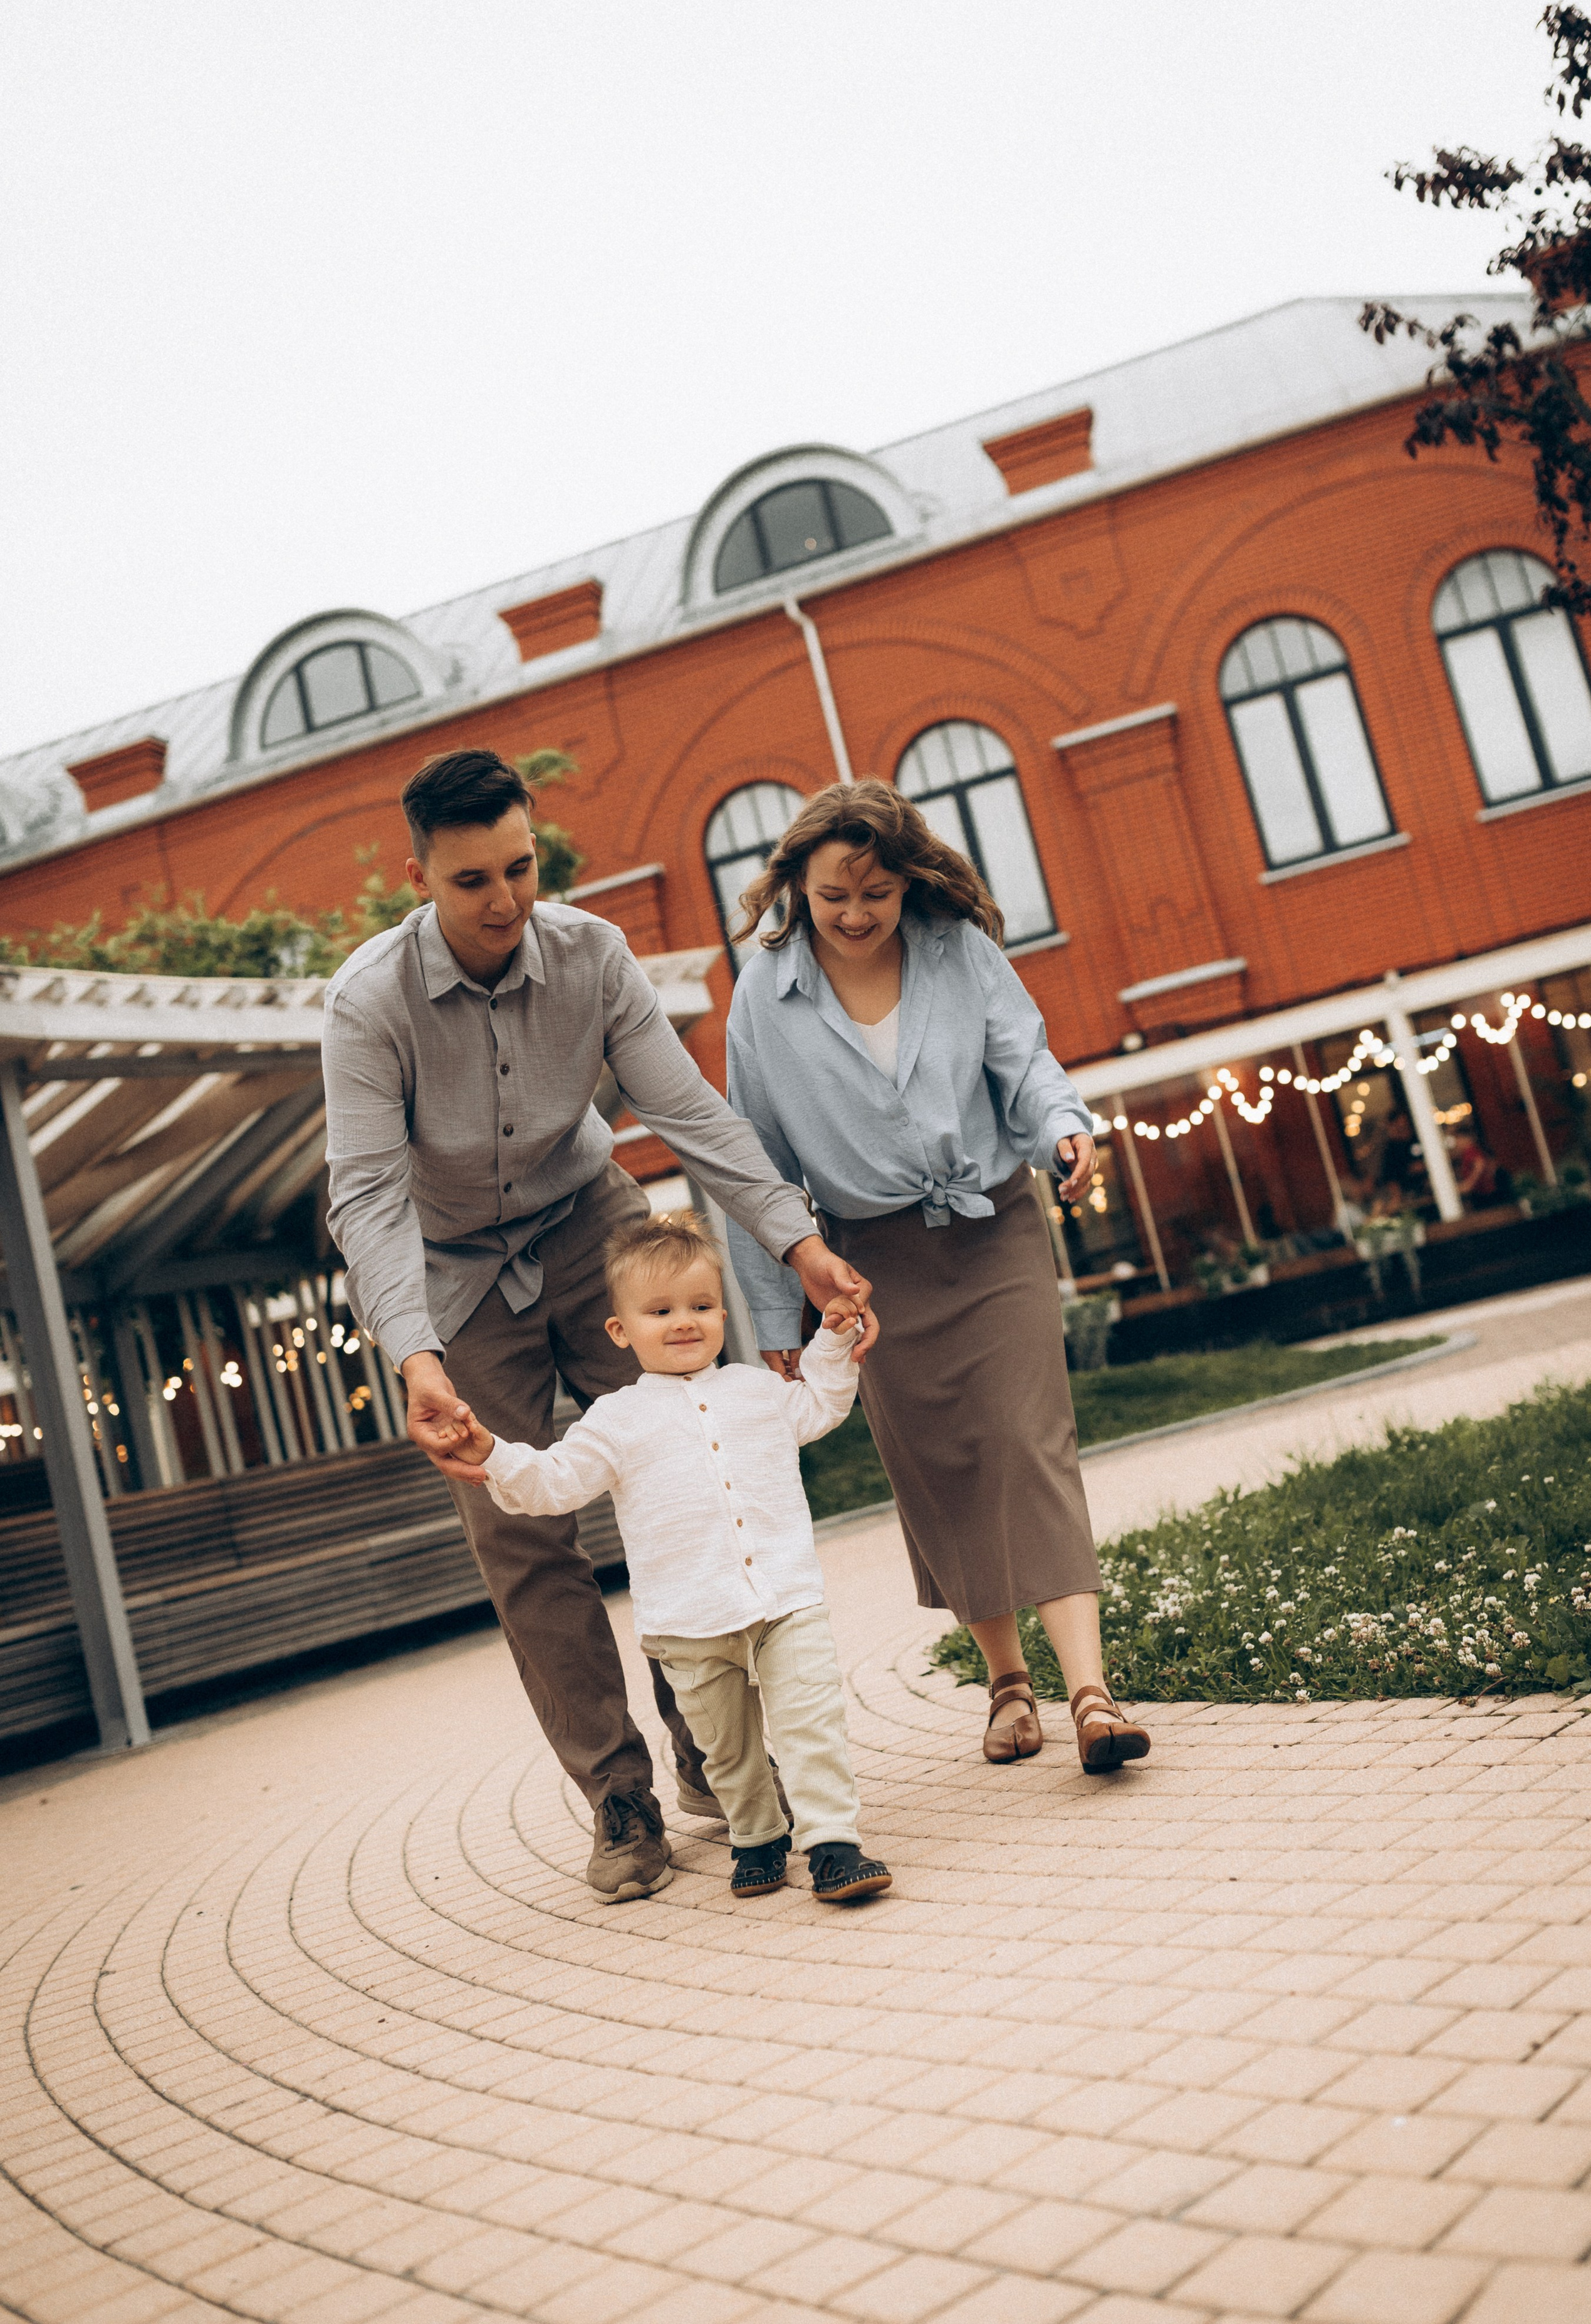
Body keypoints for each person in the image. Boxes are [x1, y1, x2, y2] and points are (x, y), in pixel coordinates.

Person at [321, 748, 876, 1904]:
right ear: (419, 874)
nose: (505, 901)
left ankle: (715, 1757)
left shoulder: (593, 954)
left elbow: (689, 1113)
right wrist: (415, 1356)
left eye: (521, 867)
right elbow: (367, 1192)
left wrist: (800, 1243)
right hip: (453, 1273)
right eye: (472, 879)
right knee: (522, 1535)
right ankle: (618, 1793)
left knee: (677, 1462)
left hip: (591, 1228)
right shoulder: (367, 1002)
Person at [722, 777, 1151, 1778]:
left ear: (910, 881)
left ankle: (1091, 1693)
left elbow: (1026, 1061)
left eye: (877, 892)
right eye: (835, 896)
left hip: (992, 1226)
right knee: (942, 1464)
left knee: (1025, 1439)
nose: (858, 914)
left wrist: (1065, 1129)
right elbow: (757, 1160)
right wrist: (779, 1309)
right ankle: (1007, 1684)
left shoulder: (959, 949)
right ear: (797, 886)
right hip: (868, 1269)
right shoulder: (764, 994)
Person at [441, 1210, 894, 1905]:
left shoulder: (756, 1390)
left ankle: (833, 1843)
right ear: (621, 1331)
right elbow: (553, 1482)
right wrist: (493, 1453)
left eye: (701, 1305)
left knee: (810, 1722)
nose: (685, 1321)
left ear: (721, 1311)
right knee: (727, 1749)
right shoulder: (615, 1420)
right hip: (689, 1620)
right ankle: (756, 1835)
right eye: (660, 1310)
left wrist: (831, 1344)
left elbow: (821, 1407)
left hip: (783, 1596)